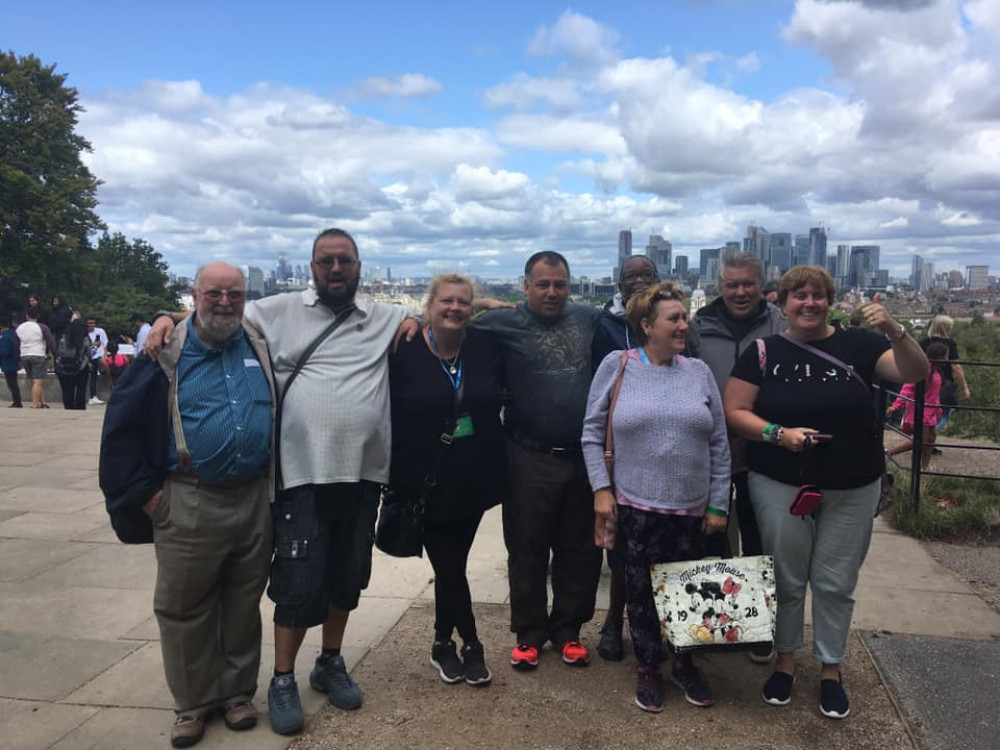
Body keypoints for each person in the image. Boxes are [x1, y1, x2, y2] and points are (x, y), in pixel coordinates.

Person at [145, 228, 418, 736]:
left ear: (360, 267)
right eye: (326, 261)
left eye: (345, 261)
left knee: (347, 576)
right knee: (296, 580)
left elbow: (454, 312)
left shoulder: (385, 316)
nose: (336, 269)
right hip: (300, 475)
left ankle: (330, 661)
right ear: (312, 267)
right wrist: (167, 318)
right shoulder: (275, 309)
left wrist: (415, 318)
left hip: (361, 473)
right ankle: (283, 677)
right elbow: (215, 315)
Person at [724, 268, 928, 720]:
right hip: (780, 481)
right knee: (788, 577)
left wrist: (894, 329)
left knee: (836, 581)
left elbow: (916, 371)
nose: (809, 304)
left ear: (830, 301)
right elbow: (734, 411)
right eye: (799, 296)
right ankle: (785, 659)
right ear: (783, 302)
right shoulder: (764, 352)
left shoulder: (863, 344)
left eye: (818, 296)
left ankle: (831, 667)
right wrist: (779, 434)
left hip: (853, 484)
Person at [100, 263, 275, 748]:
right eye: (214, 293)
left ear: (245, 298)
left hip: (252, 495)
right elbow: (121, 429)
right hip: (188, 496)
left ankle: (238, 694)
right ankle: (193, 703)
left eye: (234, 294)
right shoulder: (164, 353)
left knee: (243, 604)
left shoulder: (257, 341)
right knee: (183, 607)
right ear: (195, 294)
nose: (225, 302)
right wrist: (148, 498)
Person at [583, 281, 730, 712]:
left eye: (685, 317)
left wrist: (719, 502)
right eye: (675, 319)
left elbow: (719, 443)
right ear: (647, 326)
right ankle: (648, 665)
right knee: (640, 595)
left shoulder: (698, 372)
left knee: (692, 594)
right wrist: (600, 489)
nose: (684, 324)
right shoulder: (619, 365)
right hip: (634, 506)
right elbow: (592, 434)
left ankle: (686, 664)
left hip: (692, 509)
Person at [476, 251, 603, 670]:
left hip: (582, 455)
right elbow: (450, 322)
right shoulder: (505, 321)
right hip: (527, 453)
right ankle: (529, 633)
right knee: (526, 548)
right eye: (543, 284)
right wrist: (488, 303)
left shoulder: (587, 317)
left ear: (571, 286)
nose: (552, 293)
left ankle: (568, 631)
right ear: (525, 286)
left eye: (560, 284)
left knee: (580, 549)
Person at [388, 273, 505, 686]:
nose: (454, 308)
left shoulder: (485, 345)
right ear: (429, 306)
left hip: (474, 478)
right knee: (451, 564)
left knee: (453, 562)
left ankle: (441, 642)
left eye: (464, 302)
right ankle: (471, 644)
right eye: (447, 302)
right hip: (425, 479)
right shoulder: (403, 347)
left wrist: (494, 304)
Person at [685, 250, 785, 663]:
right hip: (710, 446)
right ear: (719, 285)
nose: (740, 292)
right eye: (732, 284)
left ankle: (757, 623)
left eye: (748, 284)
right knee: (708, 535)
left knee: (760, 538)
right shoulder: (698, 326)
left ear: (761, 284)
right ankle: (710, 621)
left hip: (762, 445)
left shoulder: (779, 323)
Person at [590, 254, 660, 662]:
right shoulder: (603, 326)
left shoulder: (677, 321)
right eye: (630, 276)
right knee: (620, 549)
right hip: (621, 449)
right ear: (619, 286)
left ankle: (661, 627)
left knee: (665, 548)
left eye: (645, 275)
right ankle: (613, 622)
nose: (637, 281)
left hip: (667, 451)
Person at [887, 342, 949, 470]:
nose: (947, 359)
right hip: (920, 410)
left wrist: (938, 412)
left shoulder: (936, 372)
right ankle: (888, 453)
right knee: (920, 441)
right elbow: (908, 388)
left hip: (930, 411)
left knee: (930, 439)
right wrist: (896, 405)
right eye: (945, 356)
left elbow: (934, 396)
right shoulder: (924, 371)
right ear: (937, 357)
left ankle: (924, 468)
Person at [920, 315, 971, 435]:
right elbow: (956, 366)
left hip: (925, 382)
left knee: (926, 413)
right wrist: (965, 387)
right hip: (944, 382)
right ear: (946, 328)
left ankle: (925, 441)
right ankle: (925, 440)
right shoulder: (949, 344)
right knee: (943, 415)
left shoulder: (923, 342)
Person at [16, 307, 56, 409]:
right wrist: (55, 354)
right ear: (37, 316)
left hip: (24, 355)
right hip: (38, 355)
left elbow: (15, 343)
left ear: (26, 316)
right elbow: (50, 342)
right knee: (38, 381)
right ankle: (35, 404)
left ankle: (42, 402)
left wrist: (17, 355)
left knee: (33, 381)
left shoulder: (20, 328)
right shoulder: (42, 327)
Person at [55, 313, 91, 410]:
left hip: (66, 366)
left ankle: (68, 405)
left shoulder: (64, 339)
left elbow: (60, 352)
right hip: (81, 367)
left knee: (68, 388)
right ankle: (79, 406)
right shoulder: (84, 339)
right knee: (81, 388)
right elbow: (89, 353)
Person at [0, 318, 23, 407]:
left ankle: (17, 401)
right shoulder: (13, 334)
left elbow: (4, 351)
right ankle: (17, 401)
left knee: (12, 383)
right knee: (13, 383)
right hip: (13, 363)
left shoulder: (5, 337)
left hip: (8, 364)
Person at [87, 317, 110, 404]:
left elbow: (105, 344)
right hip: (90, 357)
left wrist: (105, 355)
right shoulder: (85, 333)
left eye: (93, 323)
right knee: (93, 376)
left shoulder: (100, 331)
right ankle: (93, 396)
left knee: (105, 371)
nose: (92, 325)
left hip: (99, 356)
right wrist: (93, 344)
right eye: (90, 323)